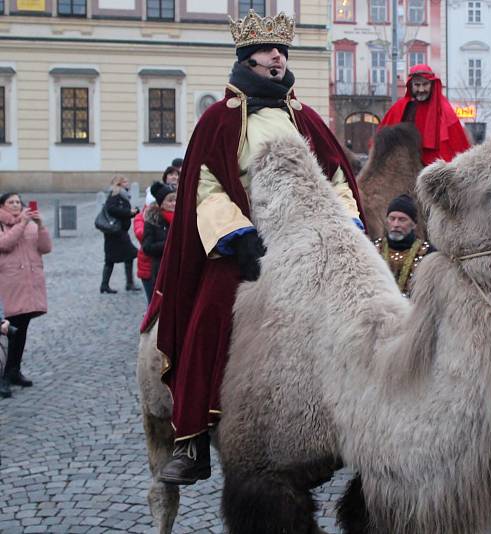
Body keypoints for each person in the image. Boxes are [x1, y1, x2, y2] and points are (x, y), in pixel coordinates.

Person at [143, 10, 364, 485]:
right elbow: (205, 184)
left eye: (281, 51)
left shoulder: (304, 116)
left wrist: (346, 221)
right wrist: (237, 235)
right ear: (247, 58)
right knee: (211, 309)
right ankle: (193, 436)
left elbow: (338, 176)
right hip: (249, 242)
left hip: (310, 236)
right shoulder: (218, 120)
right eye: (266, 51)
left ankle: (373, 413)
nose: (276, 57)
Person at [0, 193, 52, 398]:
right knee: (5, 334)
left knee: (21, 331)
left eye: (17, 202)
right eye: (10, 202)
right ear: (3, 206)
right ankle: (1, 376)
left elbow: (45, 248)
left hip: (28, 285)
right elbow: (5, 244)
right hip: (8, 287)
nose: (15, 205)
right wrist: (22, 222)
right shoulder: (7, 224)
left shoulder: (30, 223)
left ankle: (14, 370)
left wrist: (40, 226)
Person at [378, 64, 470, 166]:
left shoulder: (444, 109)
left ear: (431, 84)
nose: (421, 89)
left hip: (434, 167)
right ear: (411, 85)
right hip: (405, 166)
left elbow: (458, 144)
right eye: (417, 85)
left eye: (425, 84)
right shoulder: (400, 107)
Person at [373, 195, 431, 297]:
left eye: (402, 220)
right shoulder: (373, 250)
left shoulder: (428, 253)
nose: (396, 224)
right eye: (392, 218)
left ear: (414, 224)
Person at [101, 176, 141, 294]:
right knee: (126, 255)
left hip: (118, 231)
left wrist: (132, 213)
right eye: (125, 182)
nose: (127, 183)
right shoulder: (115, 194)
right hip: (115, 232)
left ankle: (108, 285)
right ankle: (126, 283)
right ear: (119, 184)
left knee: (118, 257)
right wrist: (129, 212)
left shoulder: (122, 194)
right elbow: (112, 209)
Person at [140, 183, 176, 302]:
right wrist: (168, 244)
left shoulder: (181, 218)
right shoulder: (153, 221)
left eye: (175, 200)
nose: (173, 203)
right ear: (161, 203)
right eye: (170, 201)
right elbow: (147, 247)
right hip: (161, 269)